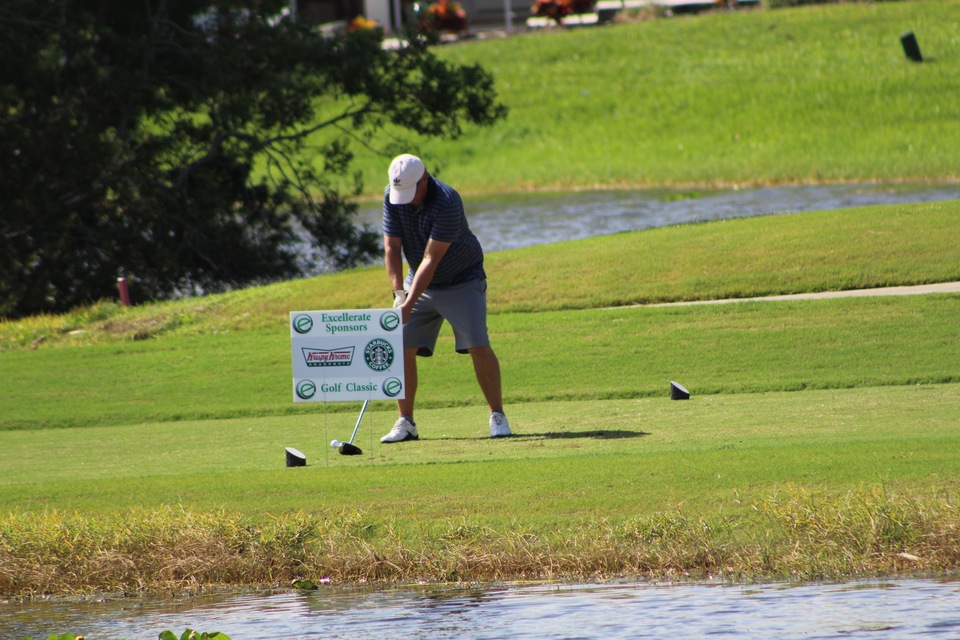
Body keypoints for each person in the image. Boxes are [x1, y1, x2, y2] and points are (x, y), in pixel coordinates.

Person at [380, 153, 511, 443]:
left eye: (412, 192)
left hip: (462, 279)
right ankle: (406, 422)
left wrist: (408, 304)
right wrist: (398, 293)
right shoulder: (392, 195)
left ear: (424, 179)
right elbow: (391, 247)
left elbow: (432, 257)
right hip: (418, 281)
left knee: (478, 345)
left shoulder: (448, 201)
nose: (408, 199)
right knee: (401, 348)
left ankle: (498, 415)